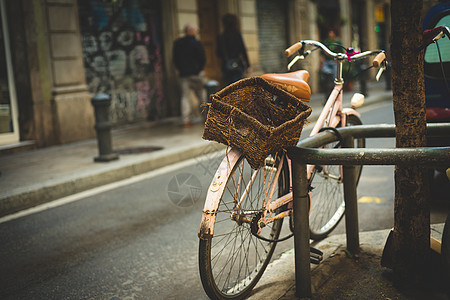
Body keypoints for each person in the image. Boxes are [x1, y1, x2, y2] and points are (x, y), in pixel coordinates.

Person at [173, 24, 207, 128]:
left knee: (185, 97)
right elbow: (203, 58)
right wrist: (199, 69)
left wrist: (180, 69)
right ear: (192, 31)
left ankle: (185, 120)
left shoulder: (177, 43)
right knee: (201, 95)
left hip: (183, 74)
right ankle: (205, 117)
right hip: (195, 74)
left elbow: (175, 59)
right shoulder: (196, 43)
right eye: (196, 30)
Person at [217, 14, 251, 85]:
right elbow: (243, 50)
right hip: (237, 64)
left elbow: (218, 53)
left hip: (226, 65)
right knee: (237, 86)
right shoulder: (237, 35)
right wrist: (248, 65)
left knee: (228, 87)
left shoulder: (221, 37)